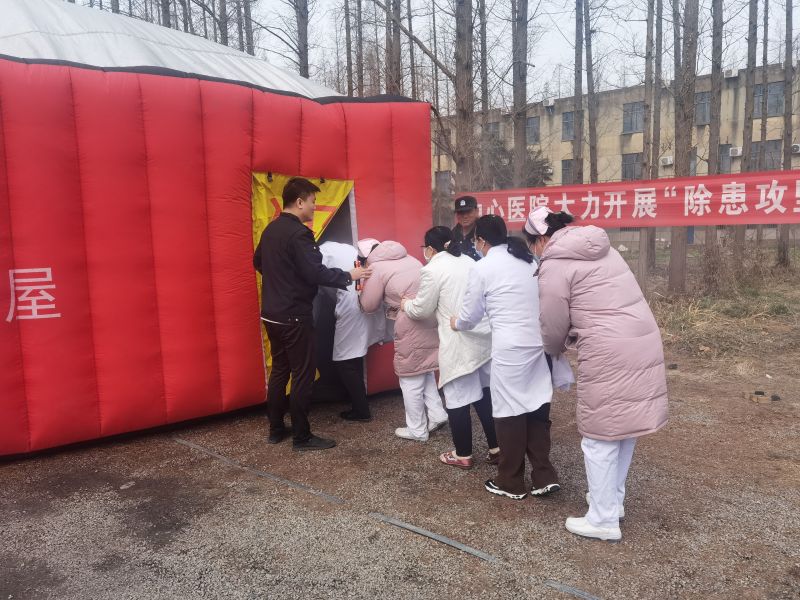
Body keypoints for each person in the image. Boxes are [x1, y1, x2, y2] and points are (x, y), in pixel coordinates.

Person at [527, 206, 668, 541]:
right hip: (642, 341)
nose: (534, 252)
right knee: (623, 428)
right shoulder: (601, 247)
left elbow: (552, 323)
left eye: (532, 245)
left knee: (598, 436)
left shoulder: (556, 263)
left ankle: (603, 520)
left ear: (541, 239)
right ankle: (612, 502)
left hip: (608, 350)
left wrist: (553, 349)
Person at [253, 177, 370, 451]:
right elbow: (315, 273)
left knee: (280, 371)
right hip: (294, 316)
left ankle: (276, 429)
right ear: (299, 202)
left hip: (271, 314)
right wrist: (349, 275)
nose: (314, 207)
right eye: (313, 202)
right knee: (302, 374)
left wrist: (280, 280)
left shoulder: (271, 229)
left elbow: (258, 261)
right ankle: (302, 437)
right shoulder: (300, 234)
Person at [451, 215, 560, 500]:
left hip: (510, 350)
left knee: (509, 413)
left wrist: (456, 323)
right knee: (537, 407)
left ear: (481, 241)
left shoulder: (483, 267)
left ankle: (510, 481)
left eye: (476, 241)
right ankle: (544, 476)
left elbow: (471, 315)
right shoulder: (528, 260)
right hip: (538, 345)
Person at [400, 226, 499, 469]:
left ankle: (463, 454)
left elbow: (422, 309)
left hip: (458, 343)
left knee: (457, 399)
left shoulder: (432, 269)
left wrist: (406, 304)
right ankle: (497, 448)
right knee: (484, 394)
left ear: (430, 248)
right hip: (483, 340)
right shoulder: (470, 261)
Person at [358, 239, 448, 441]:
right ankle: (437, 414)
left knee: (409, 377)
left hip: (409, 320)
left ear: (367, 257)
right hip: (429, 315)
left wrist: (360, 294)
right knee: (424, 368)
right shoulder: (411, 258)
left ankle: (417, 430)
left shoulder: (377, 267)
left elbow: (369, 305)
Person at [318, 240, 387, 422]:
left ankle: (361, 410)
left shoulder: (322, 252)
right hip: (365, 303)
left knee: (344, 361)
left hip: (352, 308)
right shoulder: (344, 249)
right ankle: (358, 403)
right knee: (354, 356)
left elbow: (317, 275)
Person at [452, 196, 482, 261]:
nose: (465, 216)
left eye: (468, 211)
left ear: (477, 211)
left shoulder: (484, 233)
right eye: (461, 212)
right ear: (456, 214)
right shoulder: (452, 235)